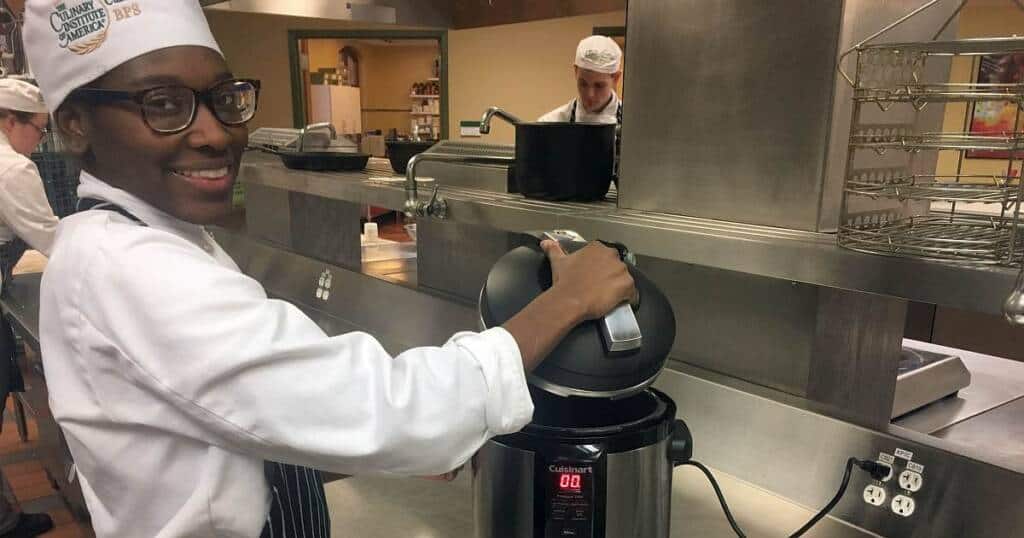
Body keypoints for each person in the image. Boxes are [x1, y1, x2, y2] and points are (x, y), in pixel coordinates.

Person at [24, 1, 635, 536]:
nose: (214, 132)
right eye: (162, 104)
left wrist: (411, 433)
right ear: (75, 125)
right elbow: (388, 408)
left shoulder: (141, 238)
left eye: (222, 98)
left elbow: (252, 409)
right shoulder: (130, 270)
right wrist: (568, 299)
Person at [0, 78, 57, 538]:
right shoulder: (11, 168)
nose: (39, 143)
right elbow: (52, 239)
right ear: (10, 121)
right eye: (38, 131)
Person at [539, 35, 623, 124]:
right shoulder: (550, 124)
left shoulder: (634, 124)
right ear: (575, 71)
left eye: (599, 86)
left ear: (616, 78)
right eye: (583, 84)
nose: (590, 94)